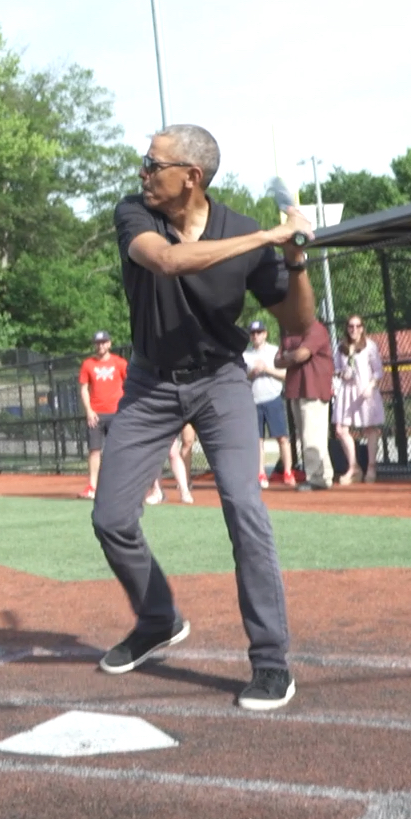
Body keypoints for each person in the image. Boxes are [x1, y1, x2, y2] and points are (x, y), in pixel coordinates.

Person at [93, 123, 314, 713]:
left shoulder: (241, 231)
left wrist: (294, 256)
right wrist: (269, 235)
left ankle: (271, 662)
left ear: (189, 176)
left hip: (220, 382)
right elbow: (168, 262)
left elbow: (295, 320)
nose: (142, 173)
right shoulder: (135, 214)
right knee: (111, 516)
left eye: (152, 163)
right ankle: (158, 617)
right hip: (149, 382)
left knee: (245, 507)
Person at [277, 317, 335, 491]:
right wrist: (292, 356)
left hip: (314, 389)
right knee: (308, 437)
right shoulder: (290, 331)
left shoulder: (315, 328)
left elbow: (303, 354)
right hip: (296, 390)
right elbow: (277, 360)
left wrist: (290, 356)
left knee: (312, 438)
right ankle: (323, 477)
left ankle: (316, 479)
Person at [332, 315, 386, 485]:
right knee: (341, 429)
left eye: (357, 326)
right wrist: (342, 374)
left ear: (362, 328)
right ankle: (353, 467)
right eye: (350, 326)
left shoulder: (370, 346)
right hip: (347, 391)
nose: (354, 329)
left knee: (370, 428)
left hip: (365, 391)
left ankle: (371, 466)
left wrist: (370, 386)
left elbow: (378, 371)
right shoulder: (341, 347)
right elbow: (336, 369)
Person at [243, 320, 294, 488]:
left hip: (273, 398)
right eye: (253, 333)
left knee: (282, 438)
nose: (256, 336)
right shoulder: (246, 355)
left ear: (265, 334)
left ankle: (287, 472)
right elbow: (242, 379)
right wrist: (252, 373)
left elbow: (286, 375)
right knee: (257, 440)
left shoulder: (274, 351)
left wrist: (267, 369)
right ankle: (260, 473)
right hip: (254, 401)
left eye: (259, 332)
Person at [78, 330, 129, 500]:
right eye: (98, 343)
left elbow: (129, 385)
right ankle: (92, 486)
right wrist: (89, 411)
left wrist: (126, 409)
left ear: (109, 344)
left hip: (117, 413)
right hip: (96, 415)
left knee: (118, 450)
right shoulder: (88, 364)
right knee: (94, 450)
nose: (100, 346)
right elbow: (84, 388)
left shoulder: (120, 363)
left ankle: (120, 486)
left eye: (103, 342)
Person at [143, 425, 198, 505]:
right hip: (151, 421)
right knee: (154, 454)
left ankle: (185, 492)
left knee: (173, 453)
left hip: (166, 421)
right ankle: (157, 491)